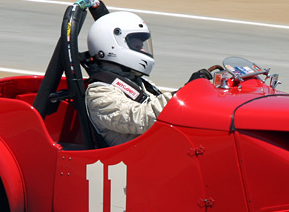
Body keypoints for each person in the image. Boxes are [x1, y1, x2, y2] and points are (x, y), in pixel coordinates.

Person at [84, 11, 211, 145]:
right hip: (140, 159)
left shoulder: (137, 81)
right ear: (112, 47)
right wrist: (184, 93)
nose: (144, 51)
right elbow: (143, 117)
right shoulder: (99, 93)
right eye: (138, 47)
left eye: (142, 46)